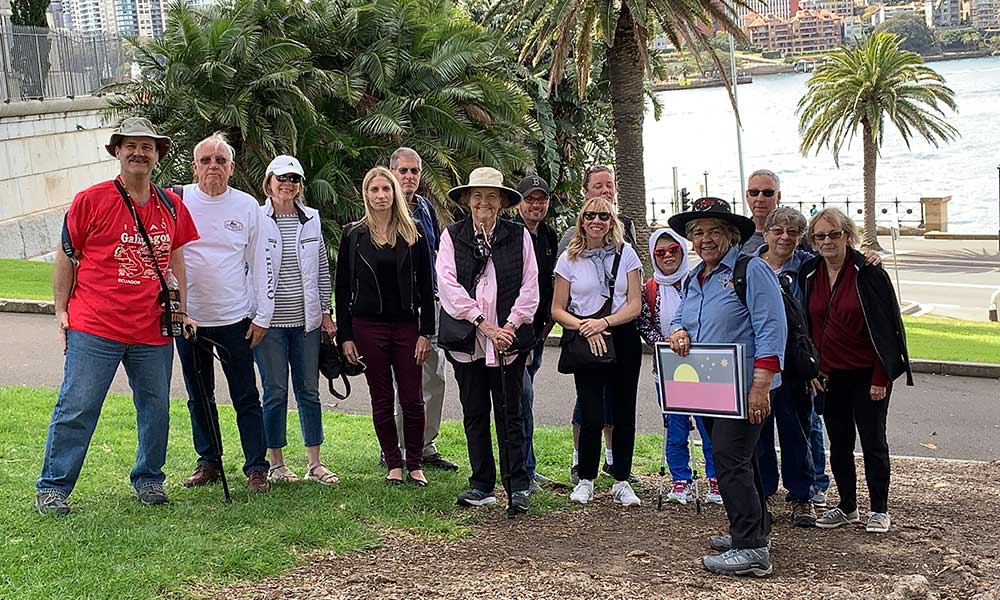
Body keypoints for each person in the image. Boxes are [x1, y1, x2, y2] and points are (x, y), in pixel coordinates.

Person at [35, 117, 199, 515]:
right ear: (117, 152)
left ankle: (149, 479)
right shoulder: (91, 200)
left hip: (152, 327)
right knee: (78, 405)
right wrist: (61, 309)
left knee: (155, 407)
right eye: (131, 146)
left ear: (158, 155)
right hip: (96, 324)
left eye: (147, 147)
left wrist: (182, 308)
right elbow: (66, 255)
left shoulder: (171, 205)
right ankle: (53, 486)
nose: (139, 153)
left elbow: (175, 256)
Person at [666, 197, 787, 577]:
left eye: (714, 231)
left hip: (747, 387)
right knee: (741, 460)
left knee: (728, 460)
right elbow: (681, 317)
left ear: (731, 236)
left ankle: (750, 548)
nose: (705, 239)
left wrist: (761, 386)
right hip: (710, 389)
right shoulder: (695, 277)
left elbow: (772, 327)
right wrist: (677, 331)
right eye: (698, 233)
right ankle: (754, 531)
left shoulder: (751, 270)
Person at [800, 208, 913, 534]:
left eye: (833, 234)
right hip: (830, 376)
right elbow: (807, 325)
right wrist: (813, 368)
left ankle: (879, 509)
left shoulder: (868, 271)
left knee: (873, 441)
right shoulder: (810, 271)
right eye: (819, 236)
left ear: (847, 236)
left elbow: (887, 327)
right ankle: (847, 506)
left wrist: (881, 377)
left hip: (868, 374)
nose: (827, 241)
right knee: (839, 443)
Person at [436, 167, 539, 514]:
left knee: (511, 413)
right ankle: (482, 484)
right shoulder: (452, 236)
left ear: (502, 202)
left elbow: (530, 286)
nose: (484, 203)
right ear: (467, 200)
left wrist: (509, 325)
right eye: (477, 196)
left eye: (491, 196)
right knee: (475, 412)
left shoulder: (518, 235)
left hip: (508, 339)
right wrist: (482, 323)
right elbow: (448, 286)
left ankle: (518, 484)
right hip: (471, 339)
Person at [175, 133, 273, 493]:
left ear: (232, 168)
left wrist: (263, 314)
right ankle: (209, 461)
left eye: (220, 160)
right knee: (199, 395)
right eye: (206, 160)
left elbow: (261, 262)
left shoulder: (247, 206)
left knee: (246, 395)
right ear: (194, 166)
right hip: (190, 320)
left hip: (236, 319)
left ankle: (256, 467)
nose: (213, 166)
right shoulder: (178, 200)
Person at [336, 166, 435, 486]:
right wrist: (345, 336)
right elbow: (342, 289)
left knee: (412, 397)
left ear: (395, 193)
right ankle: (393, 463)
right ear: (365, 195)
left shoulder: (414, 232)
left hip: (407, 326)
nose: (380, 196)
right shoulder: (353, 235)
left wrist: (426, 332)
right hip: (367, 327)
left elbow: (426, 286)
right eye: (374, 190)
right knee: (380, 397)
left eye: (385, 189)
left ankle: (415, 463)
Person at [551, 196, 644, 507]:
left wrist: (603, 322)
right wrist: (584, 327)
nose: (596, 221)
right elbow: (557, 309)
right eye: (590, 215)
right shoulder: (568, 259)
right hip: (586, 338)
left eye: (603, 216)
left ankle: (621, 479)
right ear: (582, 220)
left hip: (621, 334)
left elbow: (634, 304)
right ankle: (587, 478)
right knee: (591, 412)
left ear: (612, 221)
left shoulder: (626, 254)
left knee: (623, 411)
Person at [254, 155, 338, 486]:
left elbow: (320, 267)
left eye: (294, 179)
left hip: (306, 323)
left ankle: (314, 463)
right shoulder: (256, 218)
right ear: (269, 182)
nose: (287, 184)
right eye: (281, 178)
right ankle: (276, 463)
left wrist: (326, 312)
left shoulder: (312, 219)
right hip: (269, 324)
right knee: (274, 392)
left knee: (309, 391)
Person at [636, 228, 723, 506]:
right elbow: (643, 322)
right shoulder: (649, 288)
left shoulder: (700, 280)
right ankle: (680, 479)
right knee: (675, 425)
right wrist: (664, 343)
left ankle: (715, 478)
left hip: (701, 365)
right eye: (660, 253)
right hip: (667, 366)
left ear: (683, 251)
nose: (668, 257)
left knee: (708, 425)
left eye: (673, 250)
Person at [387, 147, 459, 471]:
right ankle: (397, 447)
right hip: (396, 308)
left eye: (414, 171)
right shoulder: (382, 207)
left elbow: (436, 252)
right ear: (391, 172)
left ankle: (425, 444)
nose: (409, 177)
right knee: (402, 378)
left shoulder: (427, 208)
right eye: (403, 171)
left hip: (430, 302)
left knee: (435, 376)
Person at [751, 206, 817, 526]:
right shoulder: (750, 266)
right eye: (778, 231)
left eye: (793, 232)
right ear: (766, 233)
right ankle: (762, 492)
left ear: (800, 237)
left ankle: (802, 495)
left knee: (796, 431)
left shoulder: (807, 267)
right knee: (759, 431)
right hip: (760, 361)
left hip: (794, 364)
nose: (785, 237)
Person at [513, 174, 559, 492]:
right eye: (530, 199)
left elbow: (550, 284)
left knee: (525, 402)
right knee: (521, 398)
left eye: (541, 199)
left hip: (539, 333)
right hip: (516, 333)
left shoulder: (549, 236)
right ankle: (523, 472)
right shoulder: (510, 235)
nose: (536, 205)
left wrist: (545, 328)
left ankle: (528, 467)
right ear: (519, 202)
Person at [741, 169, 782, 255]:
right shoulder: (738, 237)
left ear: (778, 197)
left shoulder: (793, 235)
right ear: (747, 196)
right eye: (754, 192)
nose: (760, 199)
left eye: (768, 193)